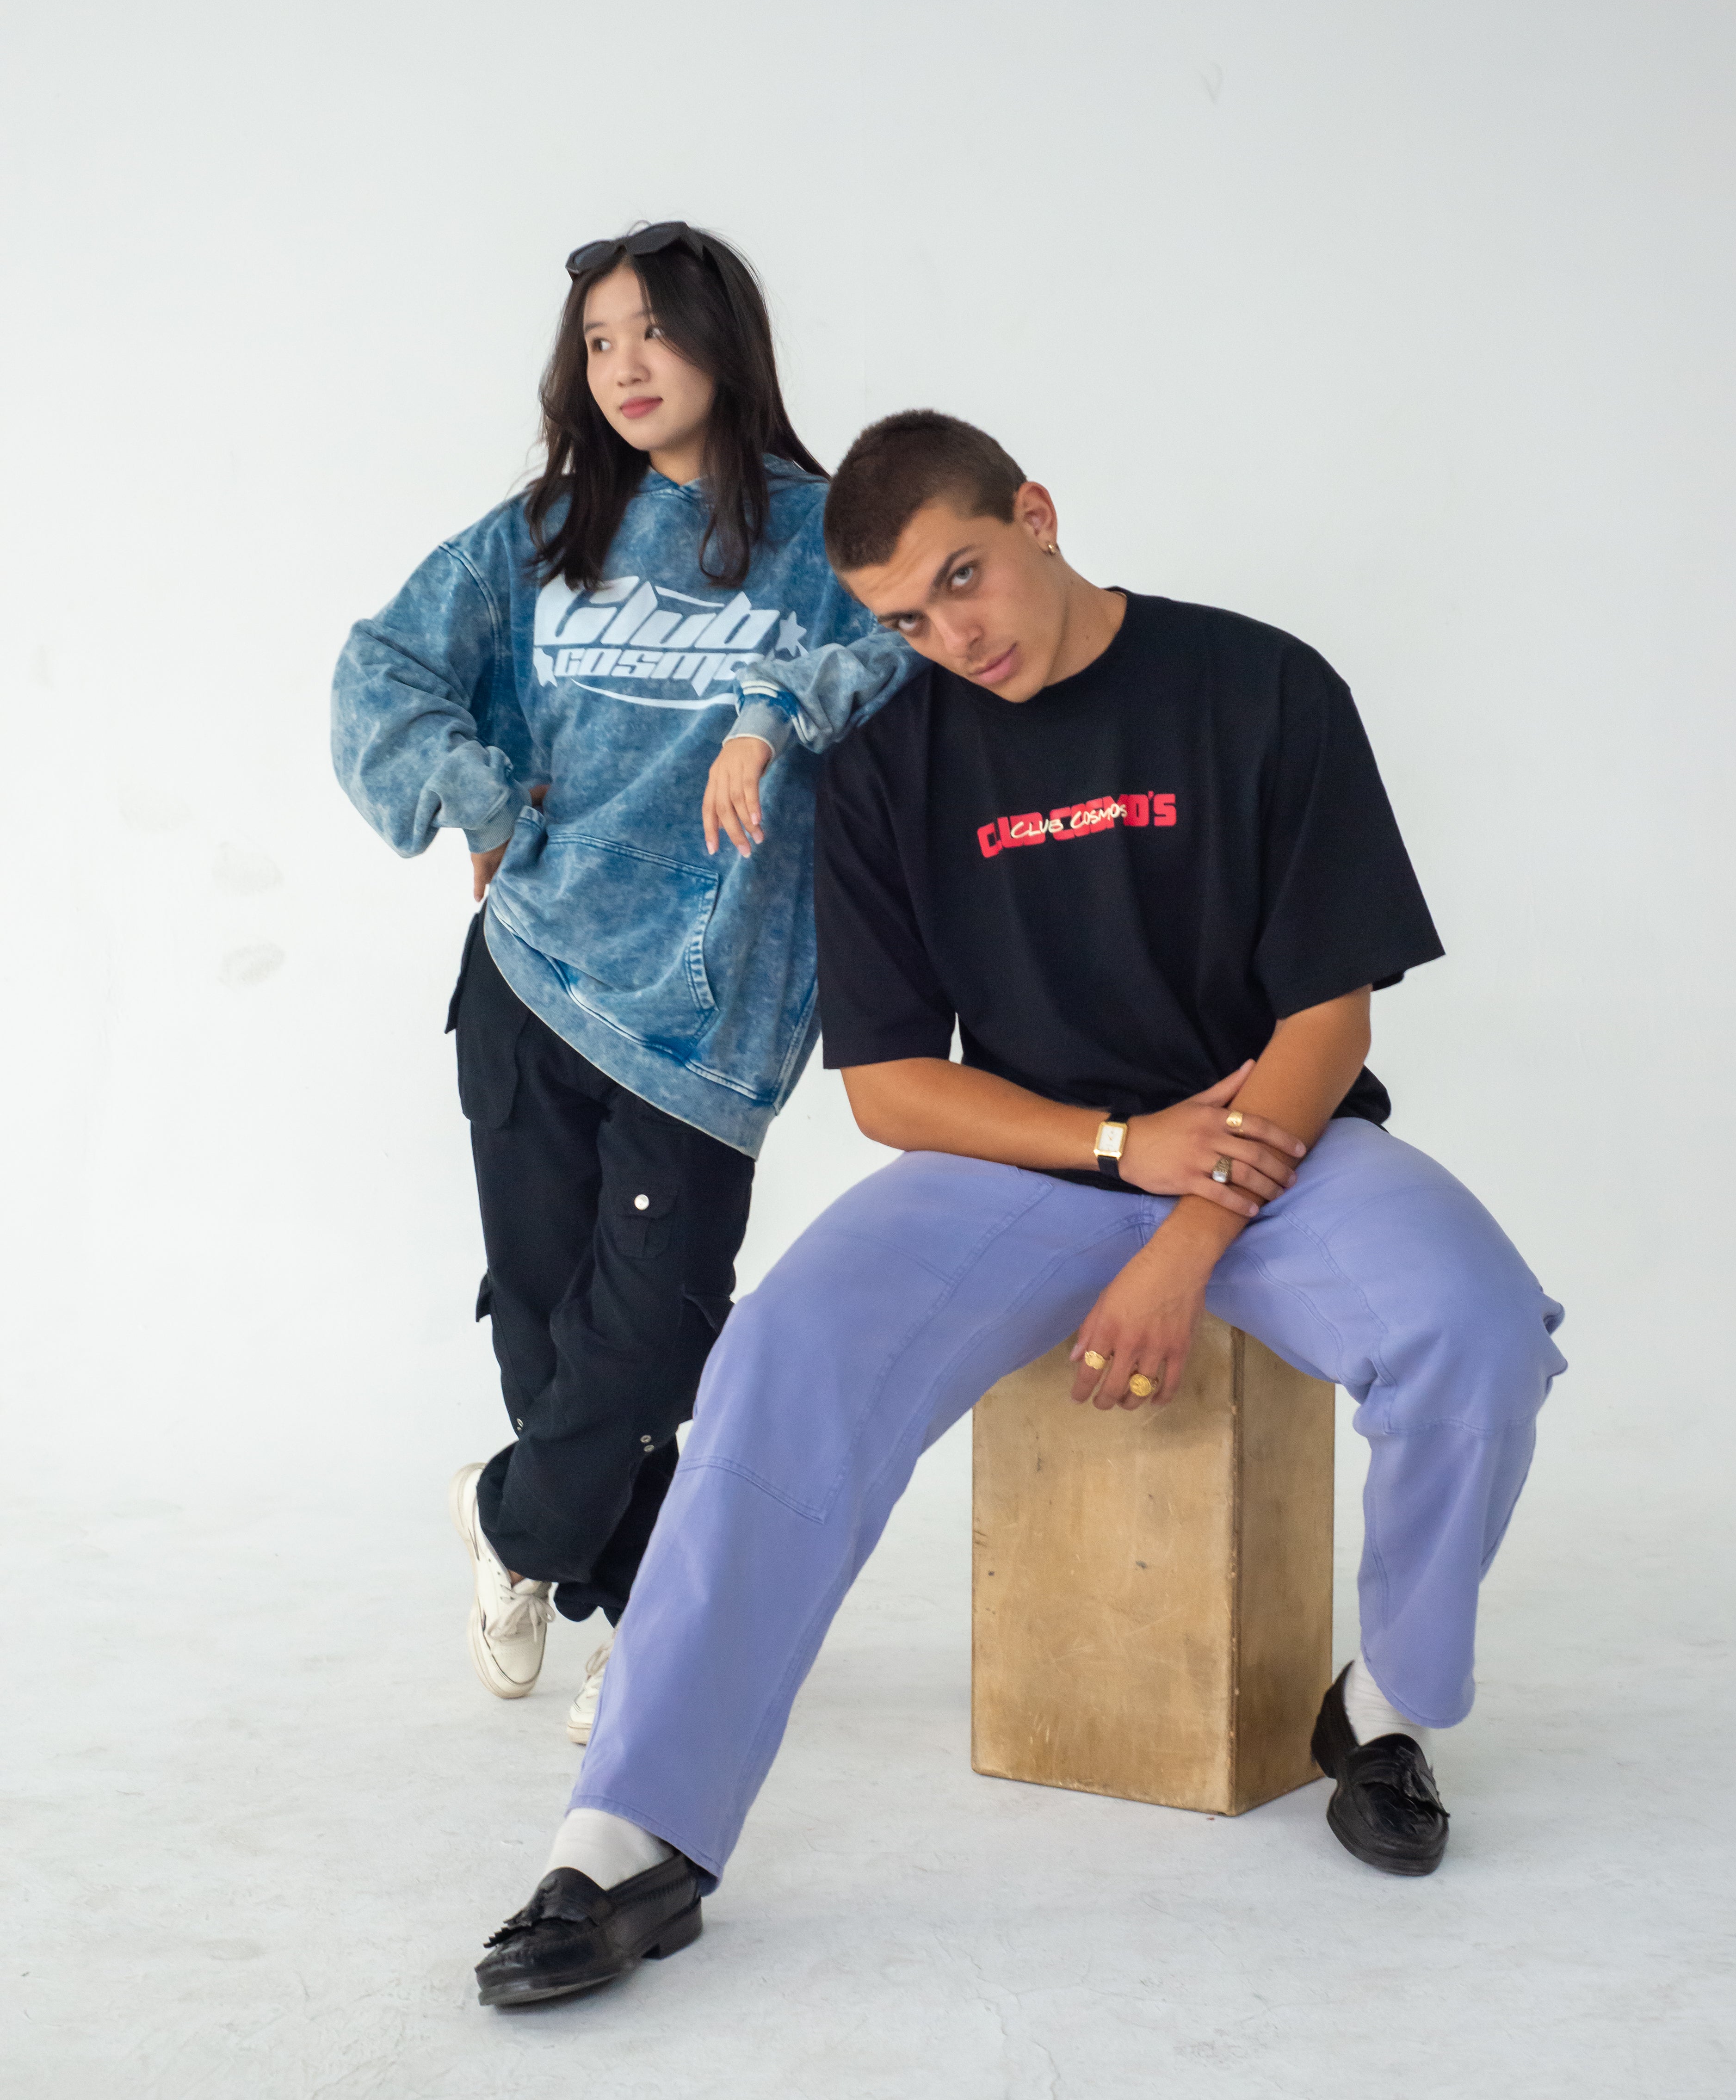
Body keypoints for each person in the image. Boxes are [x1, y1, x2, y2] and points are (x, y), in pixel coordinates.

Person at [474, 408, 1568, 2008]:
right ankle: (632, 1833)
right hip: (1037, 1158)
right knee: (780, 1350)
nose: (949, 636)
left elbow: (1329, 1024)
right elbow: (896, 1089)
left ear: (1037, 516)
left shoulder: (1260, 687)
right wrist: (1125, 1152)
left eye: (964, 580)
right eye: (905, 618)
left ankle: (1387, 1705)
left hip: (1283, 1144)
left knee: (1480, 1331)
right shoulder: (882, 759)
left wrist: (1191, 1231)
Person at [331, 223, 909, 1743]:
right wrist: (468, 781)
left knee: (647, 1337)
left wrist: (773, 707)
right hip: (528, 971)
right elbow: (380, 666)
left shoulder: (824, 531)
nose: (627, 365)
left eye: (653, 330)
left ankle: (509, 1523)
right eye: (599, 341)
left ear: (724, 339)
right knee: (545, 1331)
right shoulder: (542, 531)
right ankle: (652, 1625)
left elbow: (910, 650)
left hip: (711, 1017)